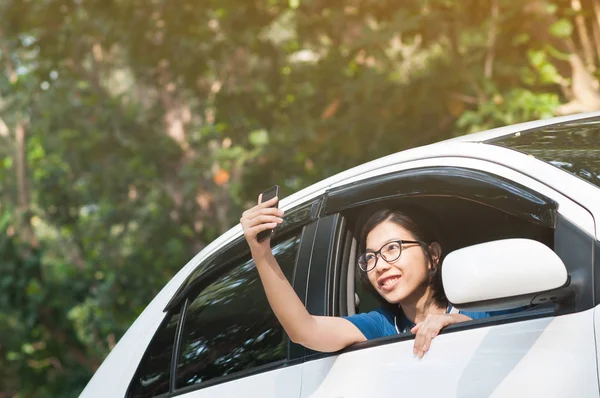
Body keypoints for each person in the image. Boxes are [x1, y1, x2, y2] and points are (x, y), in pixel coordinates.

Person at [240, 196, 493, 358]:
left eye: (393, 248)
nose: (380, 266)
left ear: (433, 255)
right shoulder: (381, 326)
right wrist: (261, 253)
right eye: (370, 257)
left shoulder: (484, 312)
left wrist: (459, 323)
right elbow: (304, 329)